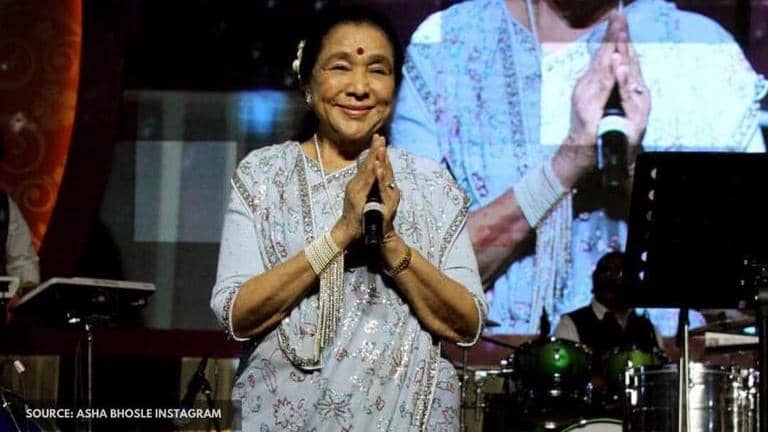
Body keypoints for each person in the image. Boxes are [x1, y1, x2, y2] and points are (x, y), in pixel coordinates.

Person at [391, 0, 767, 335]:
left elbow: (747, 283)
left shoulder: (701, 52)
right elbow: (414, 267)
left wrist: (632, 167)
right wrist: (568, 162)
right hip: (491, 368)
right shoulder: (446, 45)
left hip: (663, 372)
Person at [209, 6, 486, 431]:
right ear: (307, 82)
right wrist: (341, 233)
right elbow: (236, 315)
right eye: (340, 67)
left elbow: (467, 323)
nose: (359, 88)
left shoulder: (432, 185)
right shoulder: (263, 176)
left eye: (377, 70)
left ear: (395, 87)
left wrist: (389, 241)